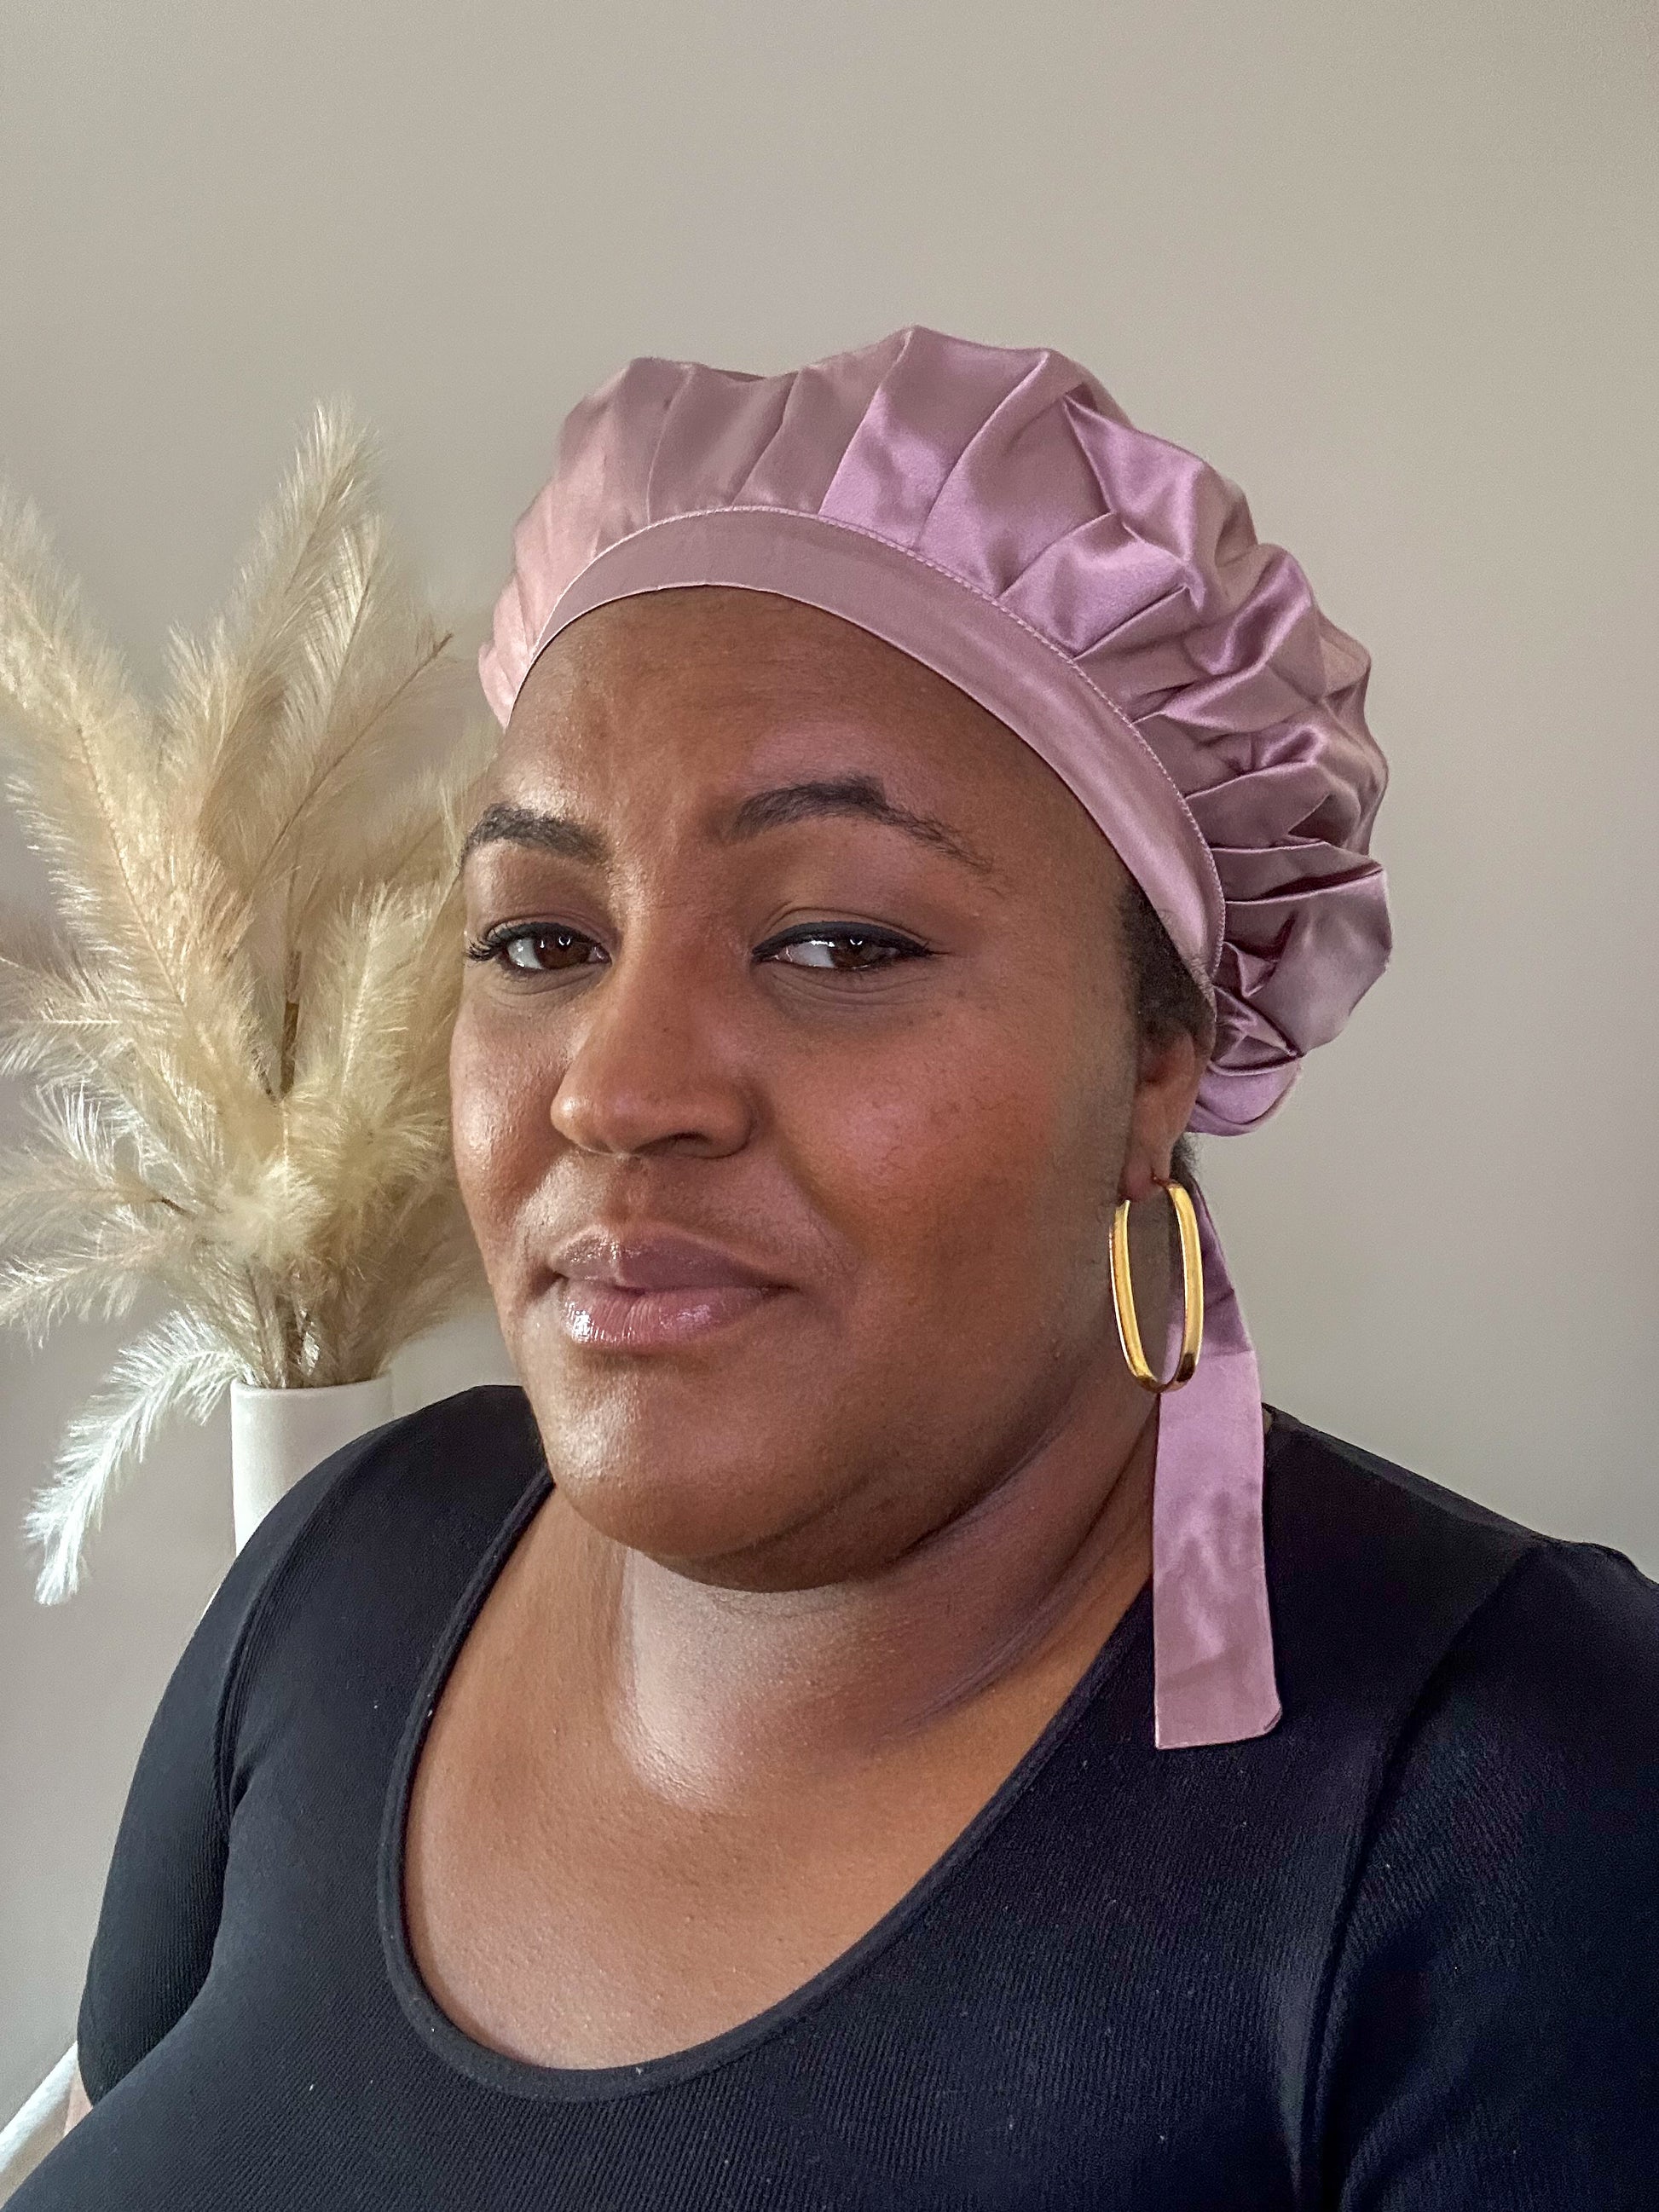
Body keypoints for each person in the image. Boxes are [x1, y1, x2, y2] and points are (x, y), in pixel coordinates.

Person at [23, 327, 1658, 2208]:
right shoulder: (341, 1570)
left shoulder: (1513, 1808)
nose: (617, 1089)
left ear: (1158, 1057)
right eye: (542, 939)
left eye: (833, 943)